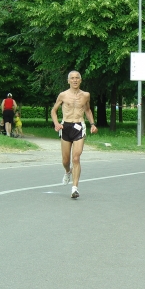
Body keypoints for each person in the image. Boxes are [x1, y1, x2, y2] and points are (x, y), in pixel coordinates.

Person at [51, 70, 98, 198]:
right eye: (72, 78)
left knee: (76, 158)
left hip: (79, 126)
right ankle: (67, 171)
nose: (75, 80)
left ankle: (74, 188)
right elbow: (53, 111)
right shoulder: (63, 95)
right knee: (66, 160)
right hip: (65, 126)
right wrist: (56, 123)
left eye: (77, 78)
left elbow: (87, 110)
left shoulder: (86, 95)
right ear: (68, 81)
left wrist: (93, 124)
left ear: (81, 80)